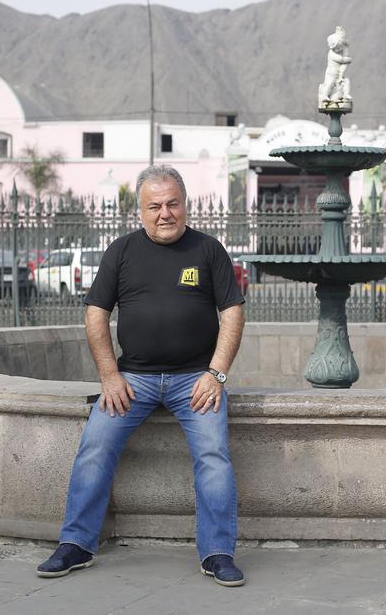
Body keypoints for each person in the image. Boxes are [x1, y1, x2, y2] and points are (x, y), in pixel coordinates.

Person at [37, 165, 247, 587]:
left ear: (185, 205)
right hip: (133, 379)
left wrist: (217, 374)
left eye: (172, 204)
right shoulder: (121, 251)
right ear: (140, 211)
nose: (164, 213)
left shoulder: (208, 251)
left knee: (213, 457)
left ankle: (218, 552)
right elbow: (96, 313)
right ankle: (76, 544)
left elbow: (233, 312)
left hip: (196, 381)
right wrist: (109, 375)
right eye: (154, 206)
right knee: (94, 446)